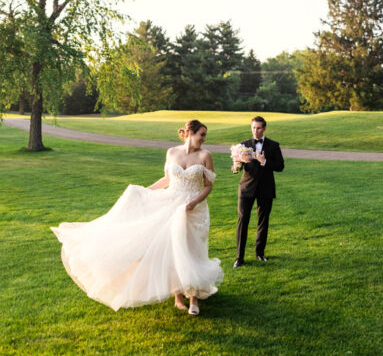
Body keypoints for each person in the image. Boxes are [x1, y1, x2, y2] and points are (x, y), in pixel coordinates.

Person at [51, 119, 223, 316]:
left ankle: (194, 298)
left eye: (205, 135)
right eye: (201, 134)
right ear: (190, 133)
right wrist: (144, 192)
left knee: (192, 250)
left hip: (194, 209)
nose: (204, 139)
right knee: (172, 249)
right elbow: (167, 179)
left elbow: (208, 186)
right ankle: (177, 296)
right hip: (169, 204)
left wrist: (193, 202)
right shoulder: (172, 153)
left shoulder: (205, 156)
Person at [234, 116, 285, 267]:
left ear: (264, 129)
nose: (255, 131)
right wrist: (236, 166)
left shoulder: (273, 145)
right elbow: (236, 169)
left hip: (266, 188)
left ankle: (260, 253)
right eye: (253, 128)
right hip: (246, 188)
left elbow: (280, 166)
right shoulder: (243, 145)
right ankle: (239, 258)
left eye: (259, 128)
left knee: (263, 221)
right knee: (243, 221)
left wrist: (265, 162)